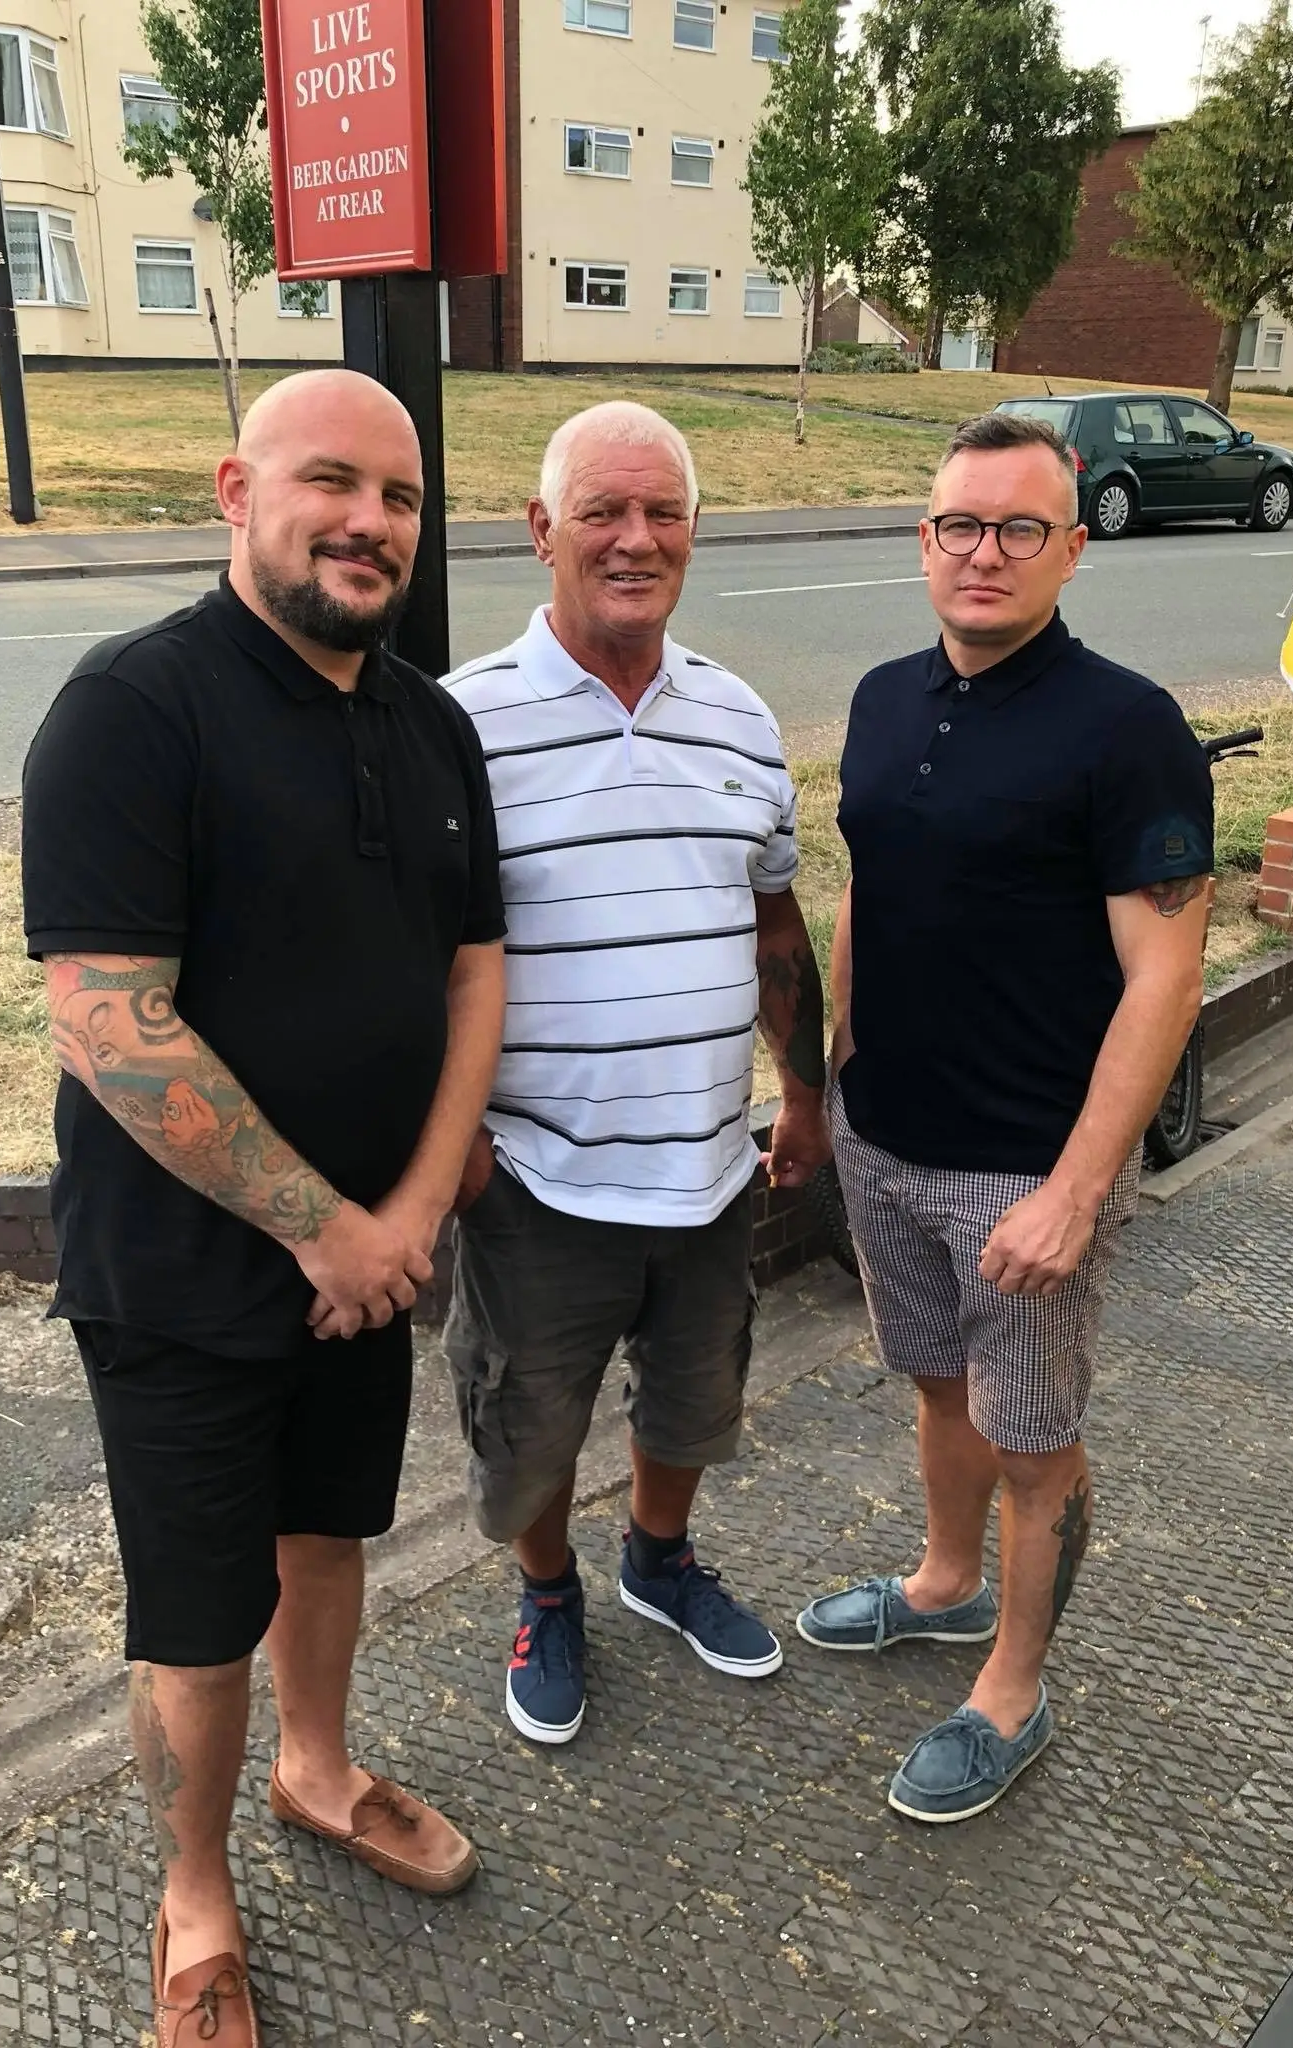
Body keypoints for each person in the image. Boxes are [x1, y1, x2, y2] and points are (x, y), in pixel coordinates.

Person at [20, 369, 507, 2048]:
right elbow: (105, 1016)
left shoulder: (431, 726)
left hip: (373, 1264)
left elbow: (474, 970)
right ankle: (195, 1891)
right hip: (179, 1279)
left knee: (327, 1538)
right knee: (198, 1613)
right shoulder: (135, 707)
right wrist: (326, 1228)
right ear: (239, 493)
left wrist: (413, 1214)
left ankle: (320, 1769)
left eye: (401, 497)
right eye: (331, 483)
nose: (369, 523)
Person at [796, 411, 1213, 1821]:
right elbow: (868, 886)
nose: (986, 552)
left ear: (1072, 549)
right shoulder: (881, 699)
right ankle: (944, 1583)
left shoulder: (1128, 730)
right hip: (886, 1140)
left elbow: (1165, 976)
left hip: (1024, 1171)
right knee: (937, 1385)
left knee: (1034, 1440)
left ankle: (1014, 1690)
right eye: (960, 525)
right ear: (926, 542)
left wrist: (1077, 1191)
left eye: (1021, 528)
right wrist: (840, 1073)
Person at [443, 400, 832, 1746]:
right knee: (531, 1426)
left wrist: (806, 1093)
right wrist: (453, 1143)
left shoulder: (738, 717)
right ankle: (548, 1591)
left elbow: (774, 925)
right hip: (535, 1177)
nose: (635, 538)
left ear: (694, 533)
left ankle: (657, 1561)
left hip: (708, 1169)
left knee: (696, 1397)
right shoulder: (463, 726)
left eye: (663, 512)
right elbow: (414, 955)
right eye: (601, 511)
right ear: (540, 531)